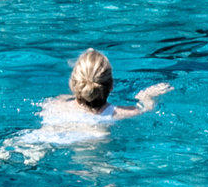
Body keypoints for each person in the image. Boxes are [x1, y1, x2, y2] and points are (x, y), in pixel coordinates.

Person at [40, 48, 169, 130]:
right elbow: (145, 108)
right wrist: (146, 96)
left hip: (42, 137)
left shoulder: (55, 104)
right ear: (111, 86)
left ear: (73, 84)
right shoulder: (116, 113)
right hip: (91, 142)